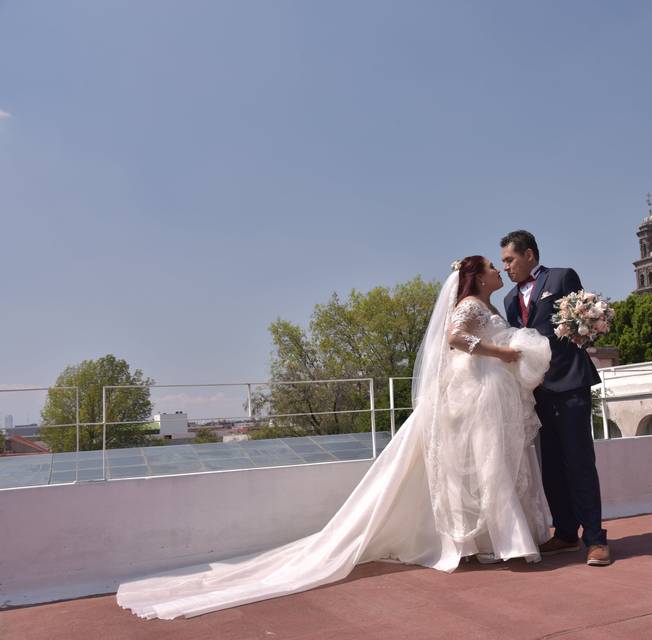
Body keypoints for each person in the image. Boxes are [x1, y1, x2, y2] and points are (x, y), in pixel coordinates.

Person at [116, 256, 553, 619]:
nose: (500, 270)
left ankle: (491, 539)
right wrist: (504, 352)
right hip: (471, 392)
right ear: (477, 276)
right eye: (493, 266)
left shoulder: (490, 307)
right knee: (484, 465)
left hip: (484, 391)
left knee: (488, 465)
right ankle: (501, 540)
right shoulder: (471, 305)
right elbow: (455, 338)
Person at [500, 230, 611, 567]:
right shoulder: (508, 300)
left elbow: (587, 317)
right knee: (551, 466)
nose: (506, 267)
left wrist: (585, 329)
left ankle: (595, 539)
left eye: (510, 260)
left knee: (579, 462)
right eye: (503, 262)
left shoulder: (562, 277)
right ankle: (564, 533)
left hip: (571, 384)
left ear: (529, 255)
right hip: (537, 393)